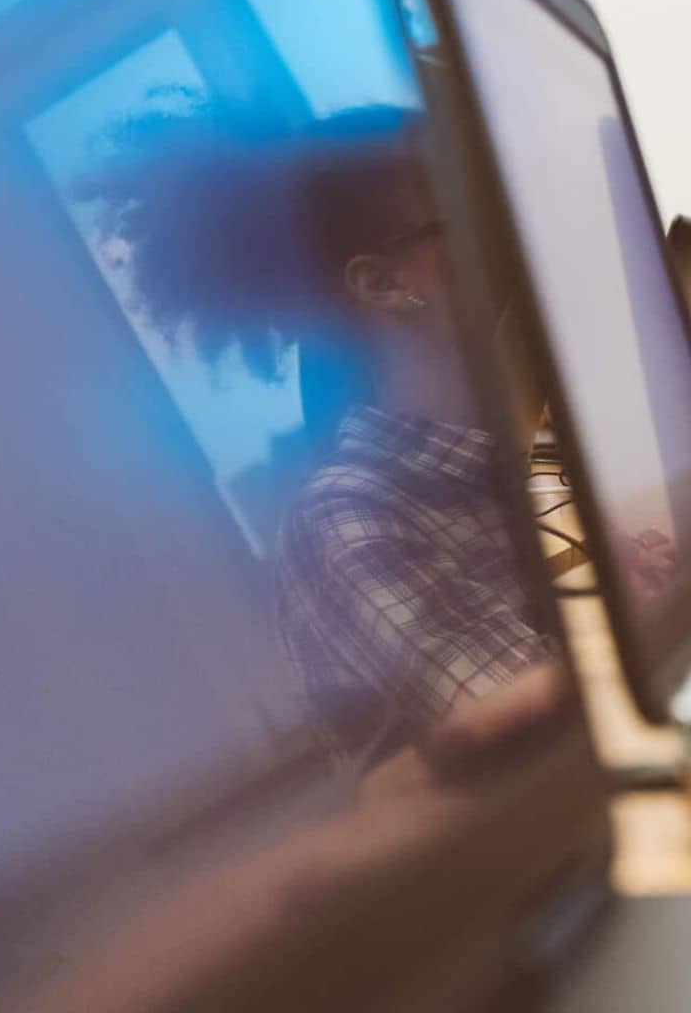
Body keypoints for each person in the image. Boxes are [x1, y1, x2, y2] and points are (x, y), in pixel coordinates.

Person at [79, 102, 560, 766]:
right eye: (471, 214)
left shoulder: (514, 459)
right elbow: (554, 743)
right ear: (386, 284)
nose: (511, 228)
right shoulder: (348, 520)